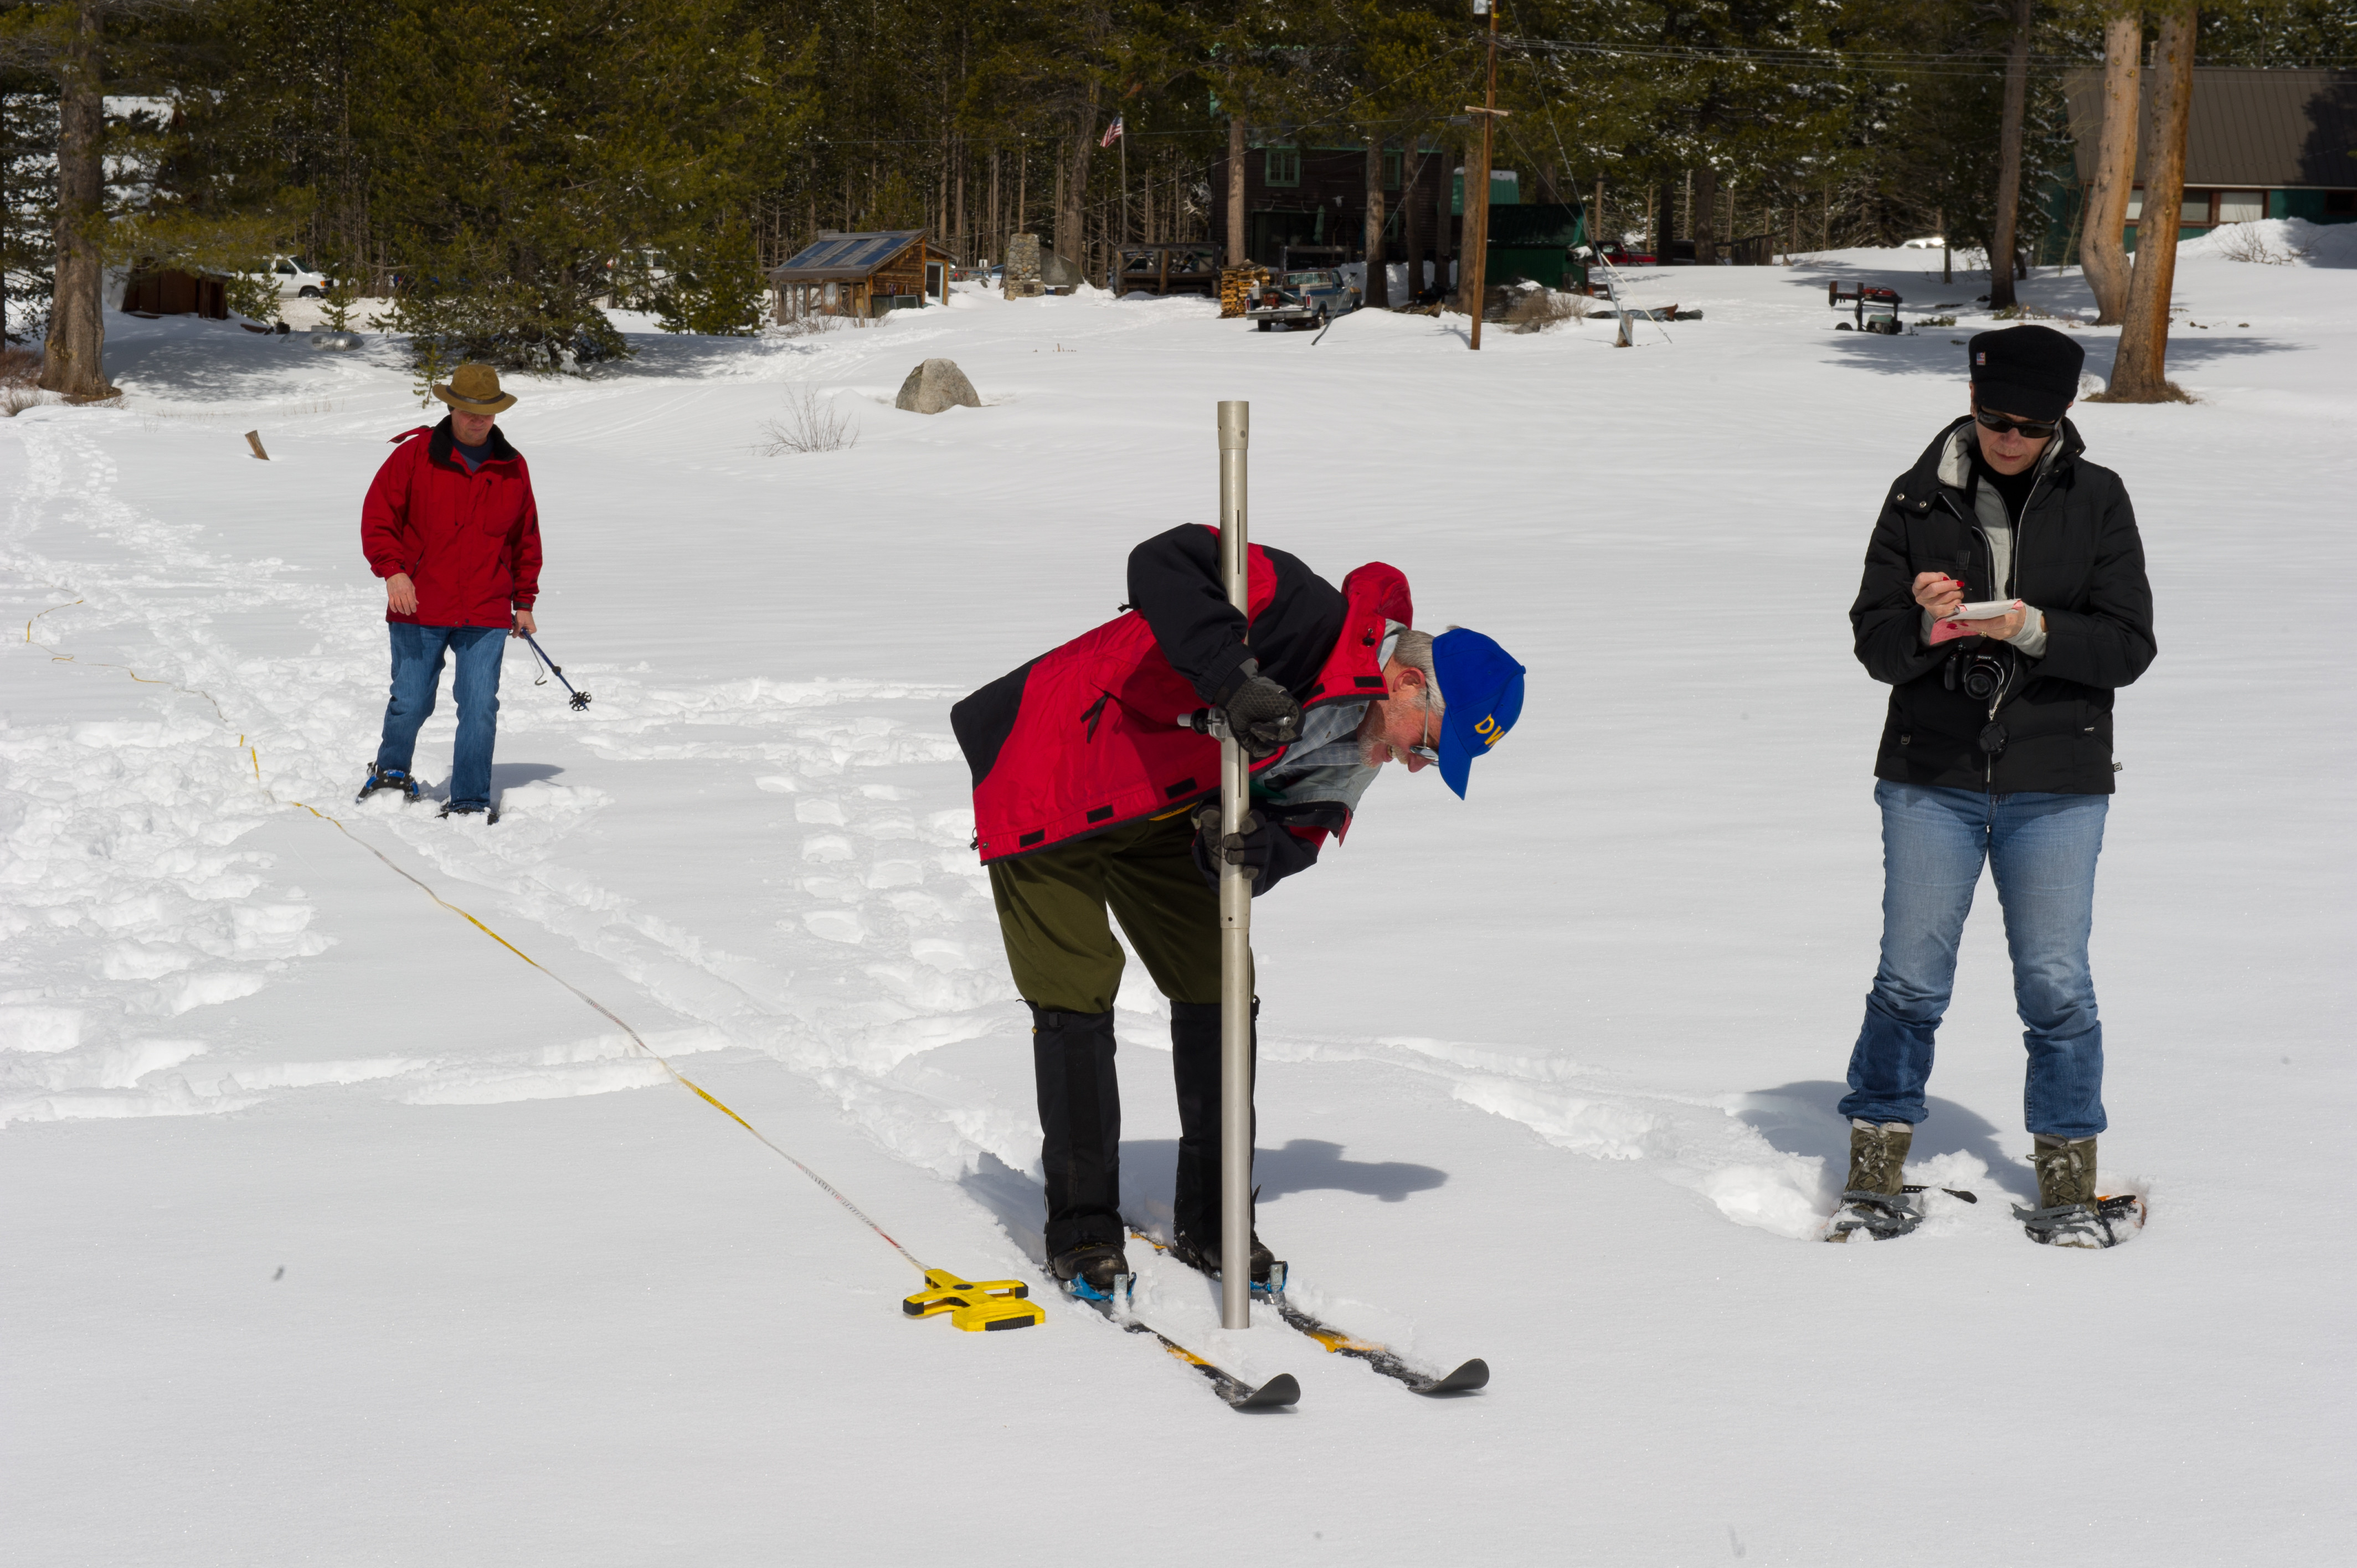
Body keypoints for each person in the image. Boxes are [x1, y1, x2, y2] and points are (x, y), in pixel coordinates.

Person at [952, 525, 1526, 1294]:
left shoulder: (1363, 748)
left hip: (1161, 816)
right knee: (1078, 985)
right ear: (1412, 683)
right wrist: (1233, 677)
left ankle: (1215, 1217)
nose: (1417, 763)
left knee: (1218, 975)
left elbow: (1300, 831)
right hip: (1051, 776)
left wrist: (1256, 850)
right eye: (1428, 743)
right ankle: (1083, 1228)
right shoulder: (1298, 609)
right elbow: (1163, 561)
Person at [1835, 324, 2155, 1248]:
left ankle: (2064, 1179)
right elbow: (1872, 640)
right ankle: (1873, 1169)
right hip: (1930, 772)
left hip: (2057, 777)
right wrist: (1928, 631)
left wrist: (2030, 628)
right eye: (1991, 417)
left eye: (2028, 422)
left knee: (2055, 981)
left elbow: (2129, 646)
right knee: (1910, 976)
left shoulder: (2098, 499)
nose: (2007, 437)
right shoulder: (1917, 494)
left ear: (2060, 420)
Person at [357, 363, 542, 819]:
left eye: (486, 412)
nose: (476, 420)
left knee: (479, 706)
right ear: (452, 407)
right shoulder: (415, 455)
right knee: (411, 700)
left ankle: (470, 799)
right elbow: (379, 518)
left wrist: (524, 602)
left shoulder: (513, 467)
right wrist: (394, 572)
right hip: (419, 604)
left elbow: (526, 539)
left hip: (485, 608)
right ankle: (392, 774)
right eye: (467, 410)